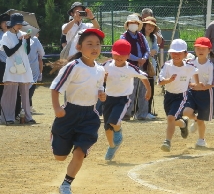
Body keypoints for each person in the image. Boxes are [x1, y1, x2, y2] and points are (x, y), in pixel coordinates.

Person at [50, 28, 106, 194]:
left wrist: (101, 94)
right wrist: (57, 109)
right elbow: (55, 88)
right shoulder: (73, 66)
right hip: (69, 114)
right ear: (79, 47)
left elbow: (99, 86)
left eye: (97, 44)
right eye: (89, 44)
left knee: (80, 152)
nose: (94, 47)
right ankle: (55, 133)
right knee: (60, 157)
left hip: (90, 116)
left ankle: (66, 184)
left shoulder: (101, 69)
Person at [102, 39, 151, 160]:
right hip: (108, 98)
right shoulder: (106, 65)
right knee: (107, 127)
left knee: (114, 122)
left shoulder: (131, 68)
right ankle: (112, 146)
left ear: (128, 56)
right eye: (116, 54)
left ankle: (118, 133)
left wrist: (149, 90)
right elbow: (97, 76)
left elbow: (144, 77)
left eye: (122, 55)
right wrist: (103, 78)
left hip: (122, 99)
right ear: (112, 53)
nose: (119, 57)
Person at [158, 39, 199, 152]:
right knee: (172, 120)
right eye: (173, 52)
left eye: (179, 52)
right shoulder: (167, 65)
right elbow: (160, 81)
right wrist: (169, 80)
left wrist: (196, 83)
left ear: (185, 54)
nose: (176, 55)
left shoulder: (189, 66)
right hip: (168, 96)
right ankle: (183, 123)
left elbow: (196, 72)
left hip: (181, 96)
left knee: (171, 118)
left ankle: (167, 142)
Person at [0, 13, 35, 124]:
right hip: (12, 67)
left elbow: (27, 51)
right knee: (10, 93)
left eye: (21, 24)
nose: (20, 26)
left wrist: (27, 40)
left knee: (25, 92)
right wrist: (20, 42)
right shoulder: (6, 36)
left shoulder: (23, 34)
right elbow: (9, 53)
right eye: (18, 24)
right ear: (13, 24)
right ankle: (7, 117)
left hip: (24, 66)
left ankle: (28, 117)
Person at [182, 37, 214, 147]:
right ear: (195, 50)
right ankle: (195, 119)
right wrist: (193, 85)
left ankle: (201, 139)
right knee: (186, 112)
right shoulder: (190, 63)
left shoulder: (210, 65)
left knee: (202, 120)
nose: (201, 51)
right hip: (191, 92)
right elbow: (185, 79)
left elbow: (212, 83)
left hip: (206, 94)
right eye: (198, 48)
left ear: (209, 50)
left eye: (204, 49)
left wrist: (202, 87)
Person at [120, 14, 150, 120]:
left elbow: (147, 49)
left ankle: (142, 114)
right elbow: (124, 52)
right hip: (129, 66)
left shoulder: (141, 36)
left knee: (143, 90)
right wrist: (138, 59)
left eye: (135, 23)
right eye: (131, 23)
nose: (133, 24)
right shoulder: (123, 36)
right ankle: (127, 113)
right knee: (130, 89)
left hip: (142, 65)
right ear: (127, 25)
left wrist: (144, 58)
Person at [141, 16, 159, 119]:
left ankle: (148, 110)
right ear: (144, 25)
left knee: (150, 87)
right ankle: (140, 110)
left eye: (153, 26)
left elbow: (155, 49)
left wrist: (151, 52)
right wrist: (148, 53)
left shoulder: (154, 37)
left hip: (150, 65)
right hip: (141, 64)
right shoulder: (139, 36)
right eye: (148, 25)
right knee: (141, 89)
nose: (150, 27)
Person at [28, 32, 45, 113]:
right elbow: (42, 53)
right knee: (31, 86)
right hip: (32, 67)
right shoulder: (35, 39)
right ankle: (27, 106)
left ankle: (28, 106)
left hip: (18, 66)